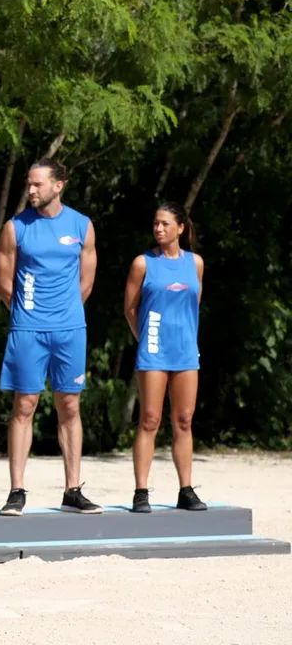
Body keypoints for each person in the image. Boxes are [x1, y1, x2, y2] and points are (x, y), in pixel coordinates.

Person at [0, 158, 101, 515]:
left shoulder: (82, 225)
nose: (31, 190)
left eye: (37, 184)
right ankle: (17, 491)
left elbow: (86, 282)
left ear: (59, 185)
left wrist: (64, 312)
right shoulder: (16, 228)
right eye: (29, 183)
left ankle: (73, 490)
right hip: (28, 329)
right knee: (24, 404)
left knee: (69, 406)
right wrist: (30, 313)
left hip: (70, 330)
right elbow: (5, 284)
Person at [123, 202, 207, 513]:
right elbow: (130, 309)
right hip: (154, 351)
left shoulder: (195, 263)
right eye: (155, 223)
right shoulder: (143, 263)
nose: (158, 229)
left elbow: (193, 305)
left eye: (165, 224)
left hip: (185, 352)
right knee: (150, 419)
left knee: (183, 420)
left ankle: (186, 490)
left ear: (180, 228)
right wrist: (147, 339)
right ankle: (141, 491)